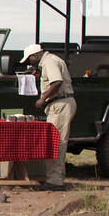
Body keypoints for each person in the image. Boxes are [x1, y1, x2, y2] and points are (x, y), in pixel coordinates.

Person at [21, 44, 75, 190]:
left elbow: (57, 82)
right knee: (57, 142)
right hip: (60, 104)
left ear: (36, 56)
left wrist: (43, 98)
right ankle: (56, 177)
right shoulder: (49, 61)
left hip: (59, 105)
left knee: (55, 143)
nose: (29, 63)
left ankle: (55, 181)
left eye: (29, 59)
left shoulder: (49, 62)